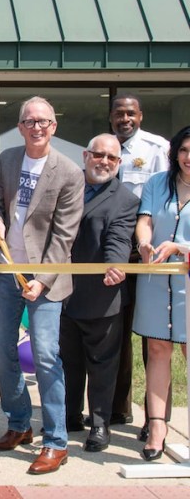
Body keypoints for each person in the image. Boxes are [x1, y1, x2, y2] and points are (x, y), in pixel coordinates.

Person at [0, 96, 83, 475]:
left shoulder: (70, 172)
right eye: (30, 121)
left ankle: (56, 441)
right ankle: (18, 423)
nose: (37, 127)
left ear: (53, 126)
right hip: (7, 269)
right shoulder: (7, 159)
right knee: (1, 349)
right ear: (20, 126)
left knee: (45, 355)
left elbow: (64, 236)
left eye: (44, 121)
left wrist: (41, 282)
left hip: (48, 279)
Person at [60, 134, 138, 453]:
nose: (104, 161)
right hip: (62, 293)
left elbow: (119, 239)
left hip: (103, 297)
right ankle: (69, 417)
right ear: (85, 155)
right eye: (98, 155)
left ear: (119, 164)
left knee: (102, 365)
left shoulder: (126, 200)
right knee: (68, 362)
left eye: (112, 158)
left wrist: (114, 266)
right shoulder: (67, 185)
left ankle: (100, 423)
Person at [109, 93, 170, 439]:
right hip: (114, 257)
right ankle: (119, 408)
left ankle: (154, 417)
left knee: (153, 339)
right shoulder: (104, 148)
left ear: (141, 116)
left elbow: (165, 199)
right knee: (115, 335)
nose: (125, 119)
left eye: (130, 113)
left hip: (147, 257)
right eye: (119, 113)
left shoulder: (157, 148)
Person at [133, 125, 190, 461]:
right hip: (157, 280)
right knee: (157, 349)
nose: (188, 157)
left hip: (187, 284)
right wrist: (143, 241)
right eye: (184, 150)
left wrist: (181, 247)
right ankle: (156, 428)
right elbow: (146, 219)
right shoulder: (158, 182)